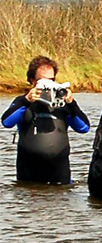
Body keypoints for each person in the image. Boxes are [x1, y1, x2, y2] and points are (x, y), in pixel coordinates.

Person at [1, 55, 90, 184]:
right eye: (43, 80)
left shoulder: (63, 104)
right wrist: (26, 101)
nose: (49, 84)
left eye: (52, 80)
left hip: (60, 176)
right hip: (28, 176)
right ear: (32, 80)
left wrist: (72, 104)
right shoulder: (23, 102)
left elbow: (83, 128)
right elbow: (6, 122)